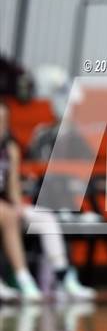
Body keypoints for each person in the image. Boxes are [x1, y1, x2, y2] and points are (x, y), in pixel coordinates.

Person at [0, 100, 96, 302]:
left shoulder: (10, 149)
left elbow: (13, 188)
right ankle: (23, 278)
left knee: (44, 217)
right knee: (8, 217)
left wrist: (18, 206)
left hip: (6, 204)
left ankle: (63, 275)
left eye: (4, 121)